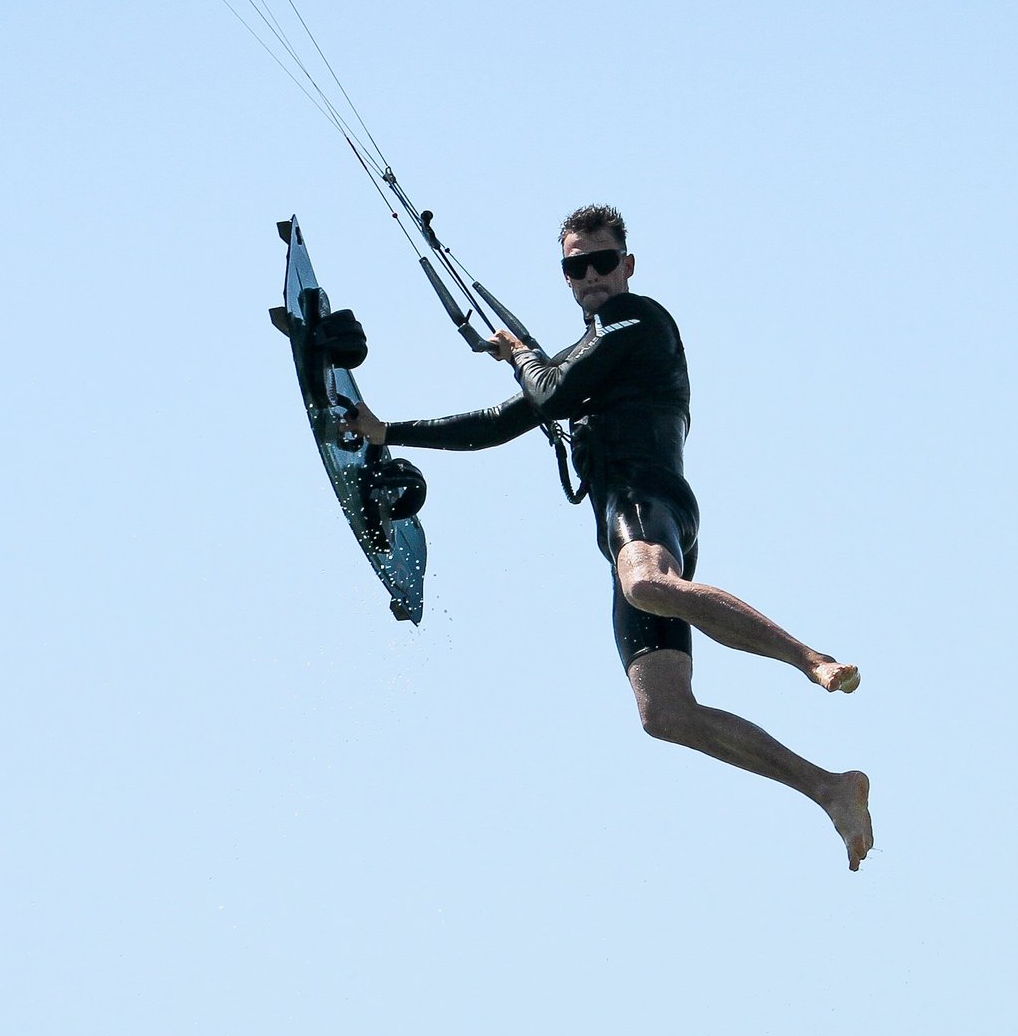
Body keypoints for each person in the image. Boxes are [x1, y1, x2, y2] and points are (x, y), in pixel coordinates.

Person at [337, 205, 874, 871]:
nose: (589, 274)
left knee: (647, 585)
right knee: (665, 713)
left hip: (650, 500)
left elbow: (550, 394)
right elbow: (504, 420)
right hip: (622, 520)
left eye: (600, 261)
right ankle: (830, 789)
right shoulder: (583, 360)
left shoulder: (638, 320)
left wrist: (524, 355)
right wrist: (390, 432)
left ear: (626, 265)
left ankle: (809, 658)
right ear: (565, 275)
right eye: (575, 265)